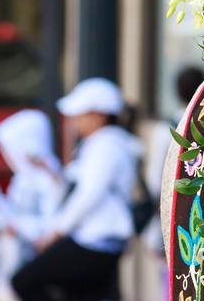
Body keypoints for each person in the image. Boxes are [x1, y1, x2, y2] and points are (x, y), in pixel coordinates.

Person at [11, 79, 140, 301]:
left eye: (80, 114)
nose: (73, 121)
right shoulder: (100, 144)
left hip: (94, 239)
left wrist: (56, 232)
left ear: (99, 115)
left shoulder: (106, 146)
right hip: (95, 239)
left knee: (25, 280)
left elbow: (89, 194)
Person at [0, 111, 63, 301]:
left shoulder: (49, 178)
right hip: (15, 254)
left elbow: (50, 225)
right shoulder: (22, 179)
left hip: (35, 255)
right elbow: (13, 213)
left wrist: (16, 224)